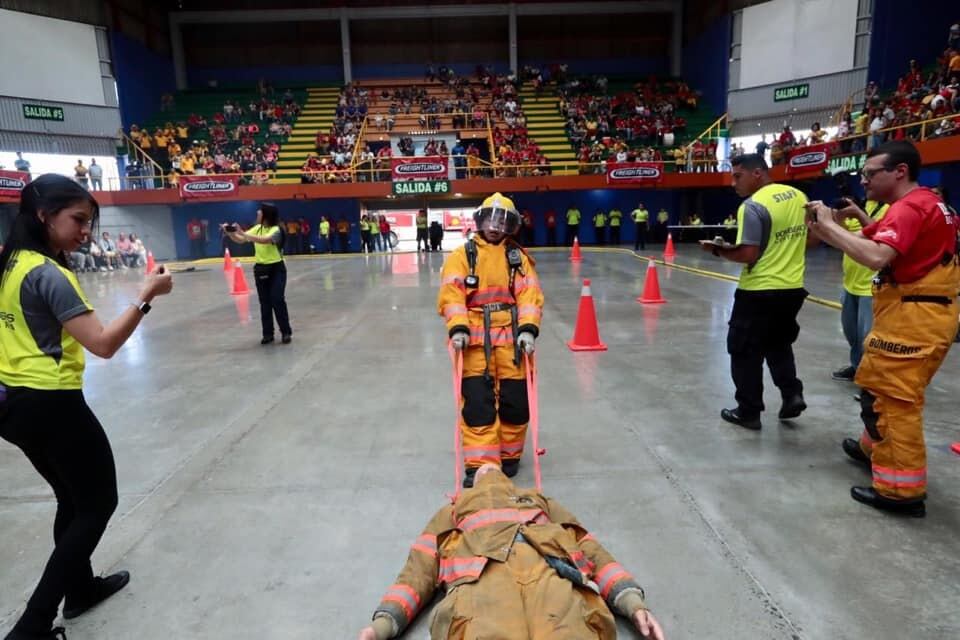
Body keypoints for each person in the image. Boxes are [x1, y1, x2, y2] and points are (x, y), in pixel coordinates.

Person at [0, 174, 173, 640]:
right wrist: (144, 299)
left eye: (90, 222)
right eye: (77, 219)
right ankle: (32, 626)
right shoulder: (48, 274)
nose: (86, 232)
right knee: (98, 503)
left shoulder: (9, 263)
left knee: (71, 498)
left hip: (12, 405)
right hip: (52, 404)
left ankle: (79, 590)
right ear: (43, 215)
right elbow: (102, 344)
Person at [805, 141, 959, 517]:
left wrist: (826, 226)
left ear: (899, 172)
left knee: (896, 400)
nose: (864, 180)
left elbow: (875, 256)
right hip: (912, 312)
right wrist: (831, 230)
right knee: (875, 383)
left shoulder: (910, 208)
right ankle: (873, 447)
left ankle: (900, 492)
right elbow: (877, 239)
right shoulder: (923, 205)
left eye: (870, 173)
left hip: (914, 317)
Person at [357, 463, 666, 640]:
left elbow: (588, 547)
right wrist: (383, 624)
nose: (488, 471)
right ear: (470, 485)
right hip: (484, 583)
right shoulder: (453, 510)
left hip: (547, 572)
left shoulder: (537, 499)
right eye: (481, 470)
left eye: (493, 468)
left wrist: (632, 603)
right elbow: (419, 571)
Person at [437, 193, 544, 488]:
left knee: (516, 402)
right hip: (473, 344)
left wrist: (528, 329)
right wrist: (457, 327)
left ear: (511, 226)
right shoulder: (463, 255)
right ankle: (481, 463)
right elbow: (452, 294)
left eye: (503, 221)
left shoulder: (517, 257)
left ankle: (510, 457)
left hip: (512, 345)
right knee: (477, 405)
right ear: (480, 221)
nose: (495, 227)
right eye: (491, 220)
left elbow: (529, 295)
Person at [702, 153, 811, 430]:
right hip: (792, 288)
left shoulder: (753, 206)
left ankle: (748, 411)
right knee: (778, 343)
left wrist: (716, 249)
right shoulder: (800, 197)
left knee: (743, 350)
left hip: (759, 290)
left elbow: (748, 254)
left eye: (738, 175)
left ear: (758, 174)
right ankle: (791, 394)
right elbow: (814, 239)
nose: (733, 182)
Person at [829, 198, 889, 382]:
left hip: (871, 286)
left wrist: (858, 214)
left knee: (868, 338)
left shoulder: (890, 209)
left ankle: (871, 380)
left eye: (870, 176)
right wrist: (837, 220)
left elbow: (881, 235)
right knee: (851, 333)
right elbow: (845, 239)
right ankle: (857, 368)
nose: (865, 182)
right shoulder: (865, 205)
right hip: (850, 283)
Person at [221, 203, 293, 345]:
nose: (257, 214)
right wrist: (230, 233)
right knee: (264, 302)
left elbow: (265, 241)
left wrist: (243, 233)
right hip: (261, 268)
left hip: (276, 268)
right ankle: (268, 334)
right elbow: (241, 240)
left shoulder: (276, 229)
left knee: (277, 299)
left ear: (266, 215)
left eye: (259, 213)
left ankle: (285, 332)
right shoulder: (257, 228)